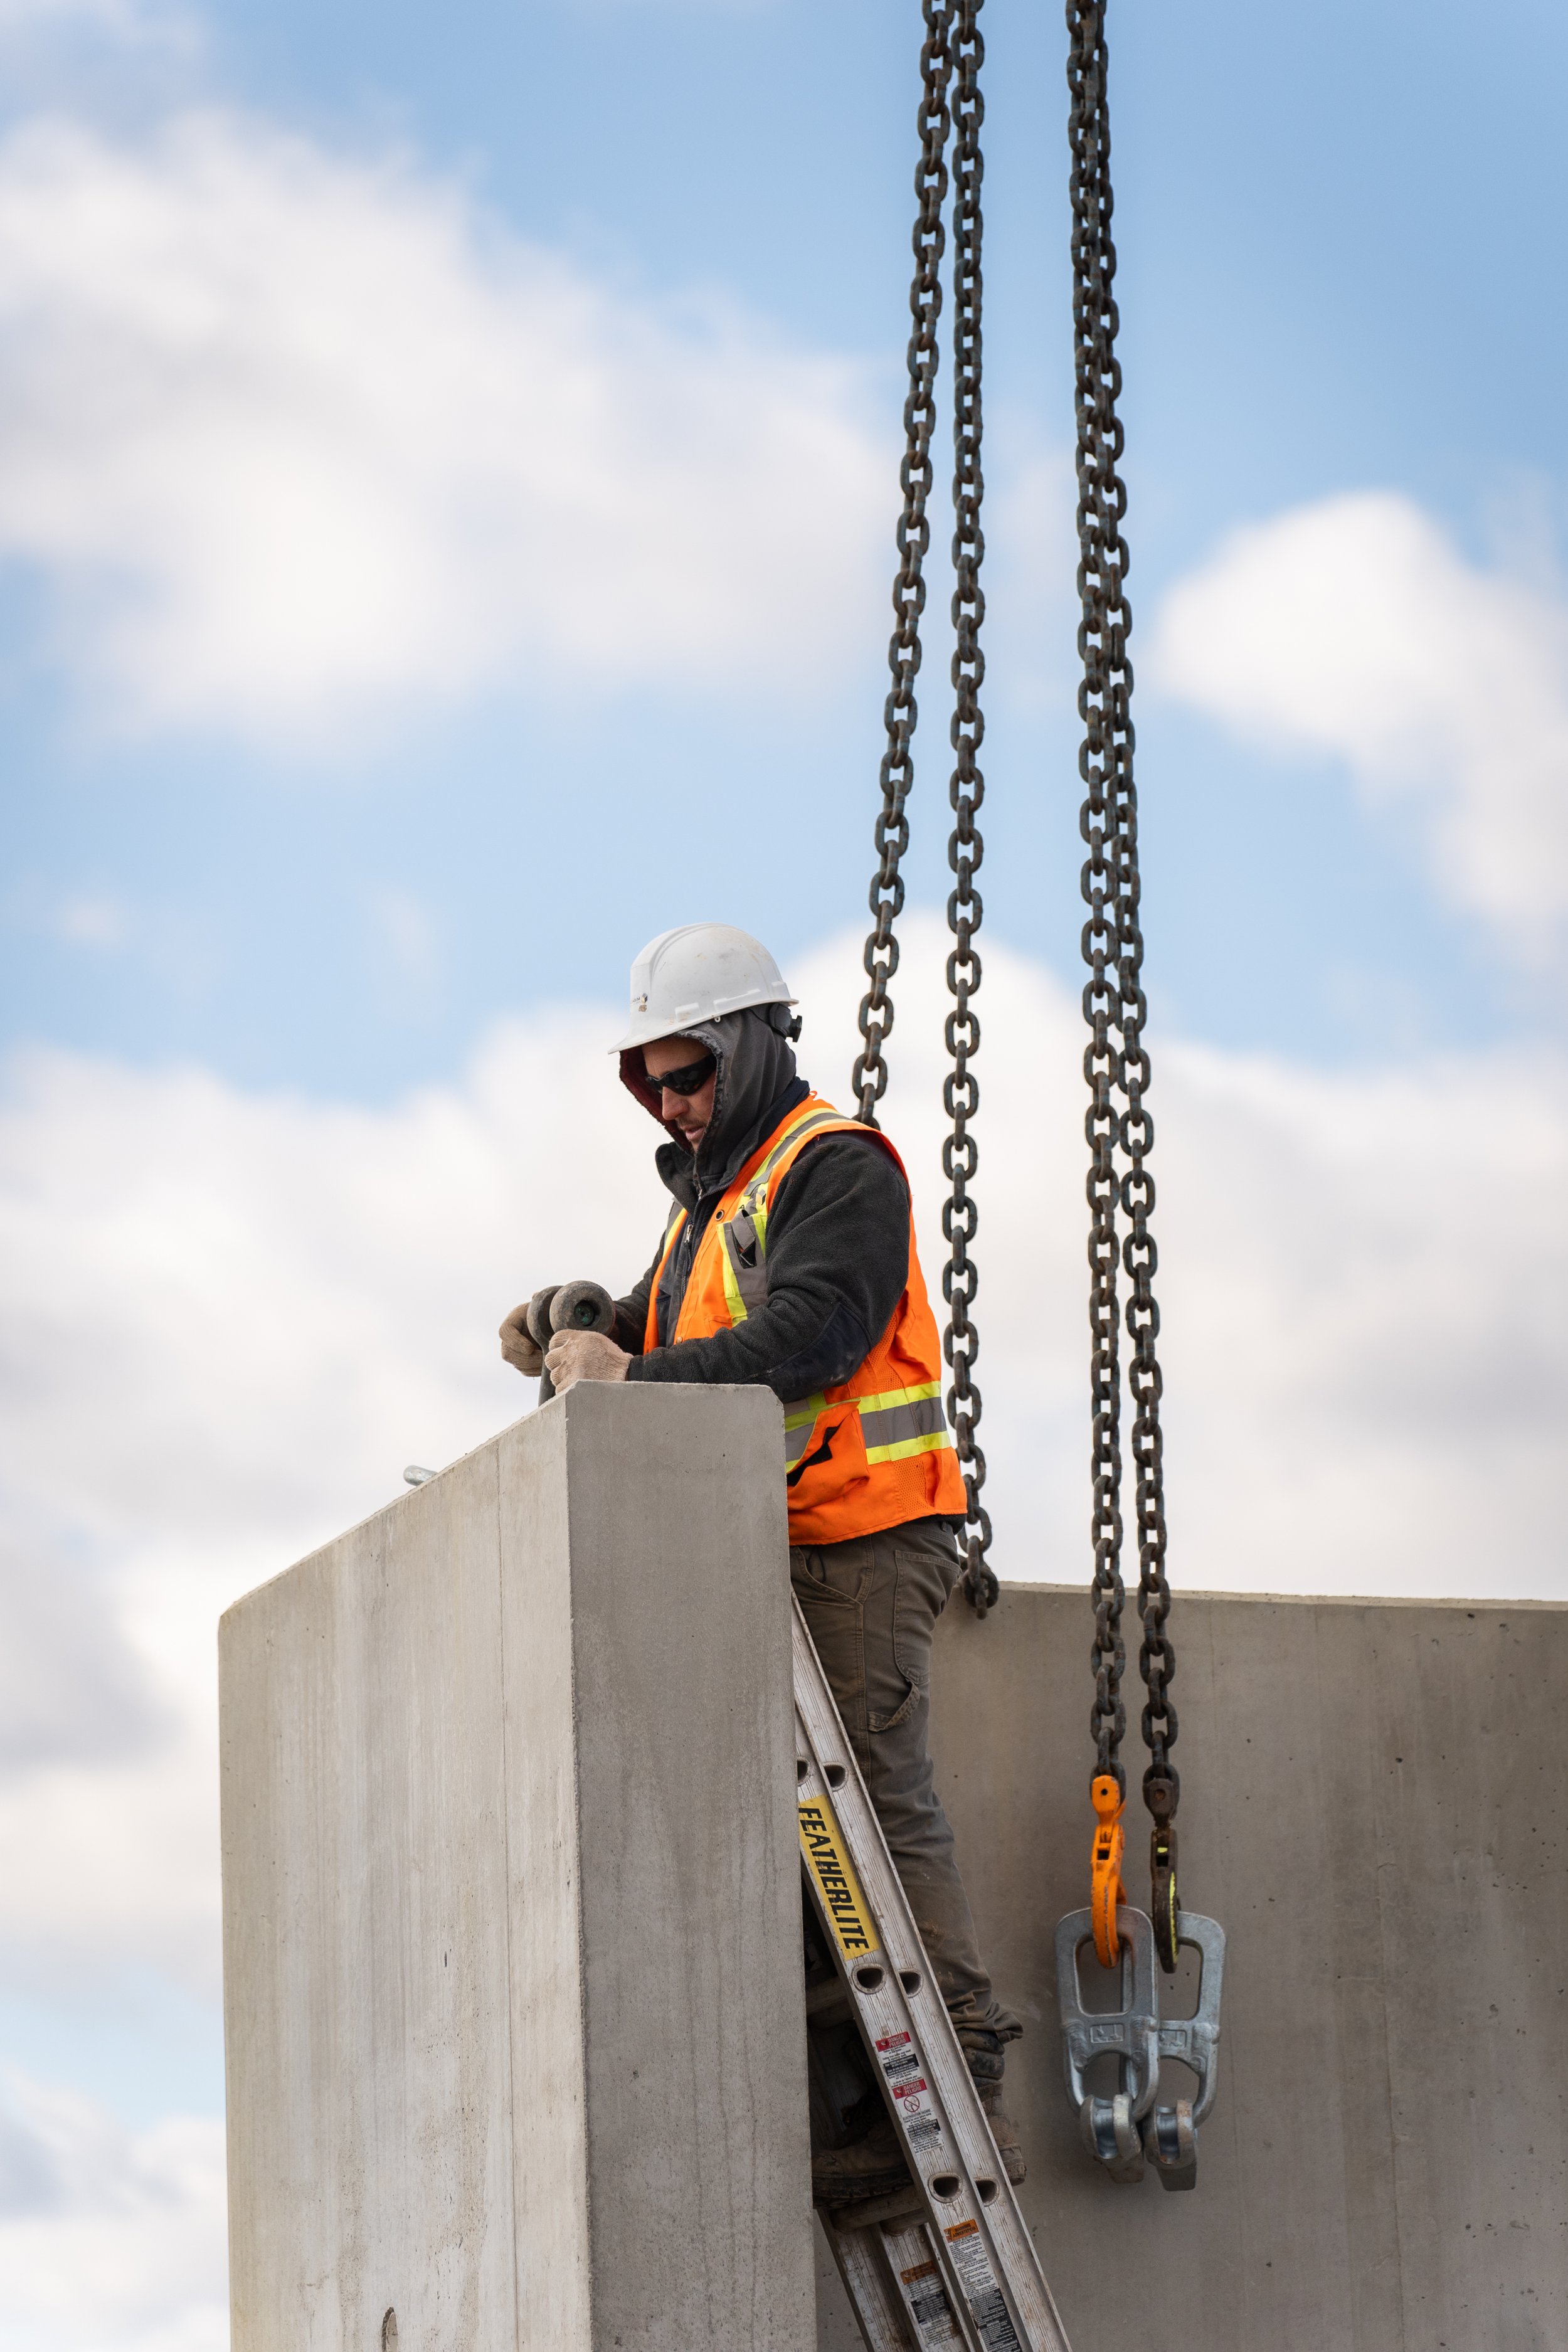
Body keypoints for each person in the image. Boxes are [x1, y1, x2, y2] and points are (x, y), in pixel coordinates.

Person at [499, 922, 1021, 2200]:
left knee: (877, 1813)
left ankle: (959, 2084)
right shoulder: (710, 1200)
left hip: (862, 1540)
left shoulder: (830, 1168)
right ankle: (857, 2105)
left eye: (689, 1078)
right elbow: (668, 1330)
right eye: (653, 1085)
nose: (671, 1105)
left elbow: (814, 1333)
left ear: (744, 1051)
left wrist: (627, 1372)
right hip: (759, 1546)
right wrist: (577, 1323)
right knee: (780, 1832)